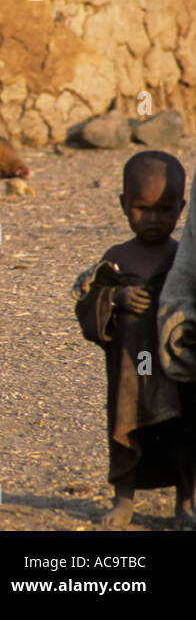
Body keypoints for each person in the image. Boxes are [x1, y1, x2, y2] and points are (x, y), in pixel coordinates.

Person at [74, 150, 195, 527]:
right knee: (125, 429)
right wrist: (116, 298)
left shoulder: (183, 258)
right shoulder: (116, 260)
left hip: (172, 369)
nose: (154, 220)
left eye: (165, 209)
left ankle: (187, 502)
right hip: (130, 369)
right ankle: (123, 500)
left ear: (183, 207)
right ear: (123, 204)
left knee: (185, 431)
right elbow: (89, 312)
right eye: (143, 209)